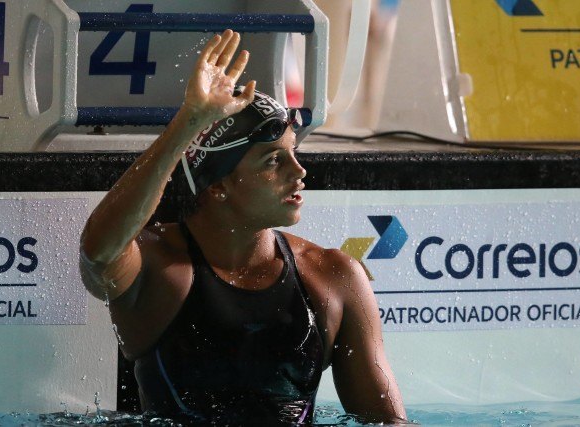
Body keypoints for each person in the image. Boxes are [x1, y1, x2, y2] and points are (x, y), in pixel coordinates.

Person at [79, 30, 406, 425]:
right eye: (273, 161)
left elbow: (388, 422)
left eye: (294, 154)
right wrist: (188, 124)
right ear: (217, 185)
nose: (299, 172)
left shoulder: (335, 277)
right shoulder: (160, 269)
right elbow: (99, 252)